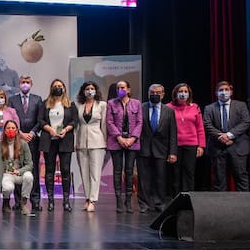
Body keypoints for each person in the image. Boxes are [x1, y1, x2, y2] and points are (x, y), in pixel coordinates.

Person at [203, 80, 250, 191]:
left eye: (226, 90)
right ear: (216, 93)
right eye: (221, 90)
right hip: (217, 148)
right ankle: (221, 202)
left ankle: (244, 202)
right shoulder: (209, 108)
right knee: (219, 180)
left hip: (238, 146)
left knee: (241, 178)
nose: (224, 92)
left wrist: (229, 135)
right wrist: (221, 137)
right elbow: (207, 124)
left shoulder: (241, 105)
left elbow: (245, 122)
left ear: (231, 92)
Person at [137, 84, 178, 213]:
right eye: (152, 92)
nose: (155, 95)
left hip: (162, 149)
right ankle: (144, 204)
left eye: (158, 92)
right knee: (144, 178)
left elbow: (173, 133)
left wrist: (173, 152)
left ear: (163, 94)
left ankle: (159, 203)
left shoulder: (169, 111)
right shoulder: (140, 108)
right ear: (148, 93)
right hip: (143, 148)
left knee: (160, 178)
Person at [38, 79, 78, 212]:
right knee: (49, 171)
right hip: (49, 140)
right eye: (55, 86)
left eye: (59, 86)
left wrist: (66, 129)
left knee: (65, 170)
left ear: (64, 88)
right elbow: (40, 120)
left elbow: (74, 121)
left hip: (65, 140)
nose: (57, 88)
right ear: (51, 88)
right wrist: (49, 129)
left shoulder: (71, 104)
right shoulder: (45, 104)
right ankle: (50, 201)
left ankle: (66, 201)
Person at [106, 80, 142, 213]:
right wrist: (119, 137)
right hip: (116, 141)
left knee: (129, 171)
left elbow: (139, 122)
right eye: (118, 88)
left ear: (128, 89)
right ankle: (119, 201)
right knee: (117, 171)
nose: (120, 90)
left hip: (132, 142)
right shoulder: (111, 103)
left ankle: (128, 200)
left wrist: (132, 138)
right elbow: (109, 122)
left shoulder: (136, 103)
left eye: (122, 87)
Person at [9, 75, 43, 211]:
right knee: (17, 169)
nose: (25, 84)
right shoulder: (12, 100)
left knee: (33, 170)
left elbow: (40, 119)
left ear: (31, 84)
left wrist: (32, 133)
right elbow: (10, 120)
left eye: (27, 82)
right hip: (17, 139)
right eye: (23, 82)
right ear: (19, 84)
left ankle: (35, 201)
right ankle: (18, 201)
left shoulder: (37, 99)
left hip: (33, 140)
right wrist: (20, 133)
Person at [74, 81, 107, 212]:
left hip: (97, 142)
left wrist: (105, 141)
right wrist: (75, 142)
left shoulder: (102, 105)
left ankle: (93, 200)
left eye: (92, 88)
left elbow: (104, 124)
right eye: (87, 88)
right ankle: (87, 198)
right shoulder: (78, 105)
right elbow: (76, 126)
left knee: (95, 173)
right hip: (81, 142)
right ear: (83, 91)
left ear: (96, 90)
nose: (89, 91)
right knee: (84, 172)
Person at [166, 83, 205, 193]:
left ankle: (188, 197)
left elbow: (200, 128)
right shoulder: (168, 107)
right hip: (174, 146)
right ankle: (175, 198)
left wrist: (201, 146)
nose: (183, 94)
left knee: (189, 172)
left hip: (191, 145)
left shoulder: (195, 107)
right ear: (175, 93)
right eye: (180, 91)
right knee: (175, 173)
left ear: (189, 94)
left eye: (185, 92)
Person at [0, 120, 33, 215]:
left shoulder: (23, 144)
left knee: (29, 176)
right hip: (7, 174)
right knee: (8, 188)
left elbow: (30, 164)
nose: (11, 130)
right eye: (8, 128)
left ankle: (23, 203)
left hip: (19, 173)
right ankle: (6, 203)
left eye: (13, 128)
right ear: (4, 130)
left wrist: (19, 171)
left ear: (17, 131)